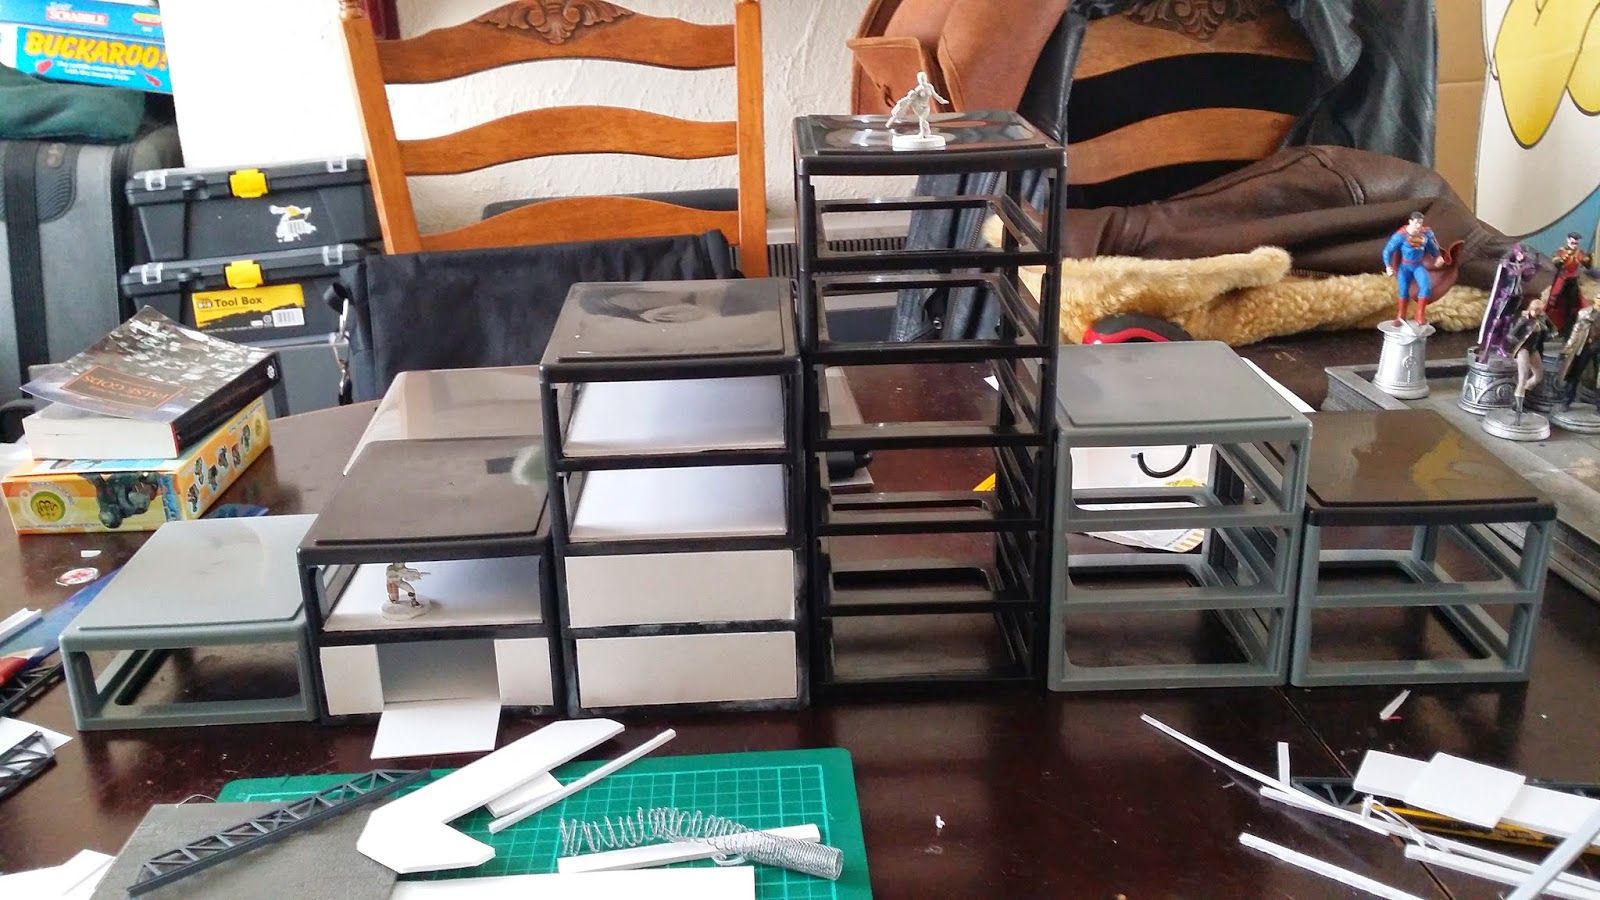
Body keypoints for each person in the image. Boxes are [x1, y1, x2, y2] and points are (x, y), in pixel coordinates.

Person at [1383, 212, 1447, 327]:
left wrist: (1438, 256)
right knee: (1403, 290)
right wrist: (1388, 266)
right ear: (1410, 222)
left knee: (1426, 287)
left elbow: (1432, 247)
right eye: (1416, 223)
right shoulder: (1401, 235)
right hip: (1405, 267)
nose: (1418, 226)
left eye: (1420, 223)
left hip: (1418, 266)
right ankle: (1401, 316)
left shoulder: (1425, 234)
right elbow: (1388, 250)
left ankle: (1419, 315)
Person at [1480, 242, 1543, 356]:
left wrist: (1535, 268)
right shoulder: (1507, 262)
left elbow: (1526, 278)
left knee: (1508, 322)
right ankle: (1486, 350)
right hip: (1506, 296)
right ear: (1515, 252)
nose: (1522, 256)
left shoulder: (1522, 264)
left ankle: (1501, 346)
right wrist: (1525, 267)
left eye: (1524, 254)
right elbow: (1513, 273)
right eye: (1521, 253)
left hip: (1517, 296)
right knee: (1497, 322)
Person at [1504, 294, 1557, 420]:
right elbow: (1511, 335)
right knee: (1522, 377)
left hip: (1534, 349)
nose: (1538, 313)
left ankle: (1523, 394)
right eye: (1536, 310)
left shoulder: (1543, 318)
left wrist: (1550, 335)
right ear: (1530, 308)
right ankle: (1518, 407)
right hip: (1523, 349)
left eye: (1540, 310)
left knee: (1538, 376)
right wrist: (1517, 340)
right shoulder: (1524, 319)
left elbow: (1553, 329)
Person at [1548, 231, 1596, 335]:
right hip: (1562, 280)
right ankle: (1552, 327)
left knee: (1573, 305)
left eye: (1576, 241)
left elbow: (1587, 265)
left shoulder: (1579, 252)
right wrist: (1563, 258)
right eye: (1573, 240)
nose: (1575, 243)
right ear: (1568, 240)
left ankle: (1569, 328)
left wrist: (1588, 259)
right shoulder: (1561, 251)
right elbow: (1556, 263)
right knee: (1553, 303)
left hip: (1572, 281)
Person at [1558, 305, 1600, 413]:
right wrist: (1567, 348)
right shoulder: (1585, 313)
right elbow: (1576, 331)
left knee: (1598, 379)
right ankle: (1566, 401)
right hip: (1585, 346)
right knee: (1574, 375)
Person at [888, 71, 948, 140]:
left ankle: (922, 133)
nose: (922, 80)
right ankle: (927, 132)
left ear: (926, 78)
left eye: (923, 78)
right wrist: (906, 103)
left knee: (922, 120)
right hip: (919, 107)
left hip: (926, 107)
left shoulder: (929, 87)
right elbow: (912, 98)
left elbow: (935, 95)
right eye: (920, 79)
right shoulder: (918, 88)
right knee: (922, 119)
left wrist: (941, 101)